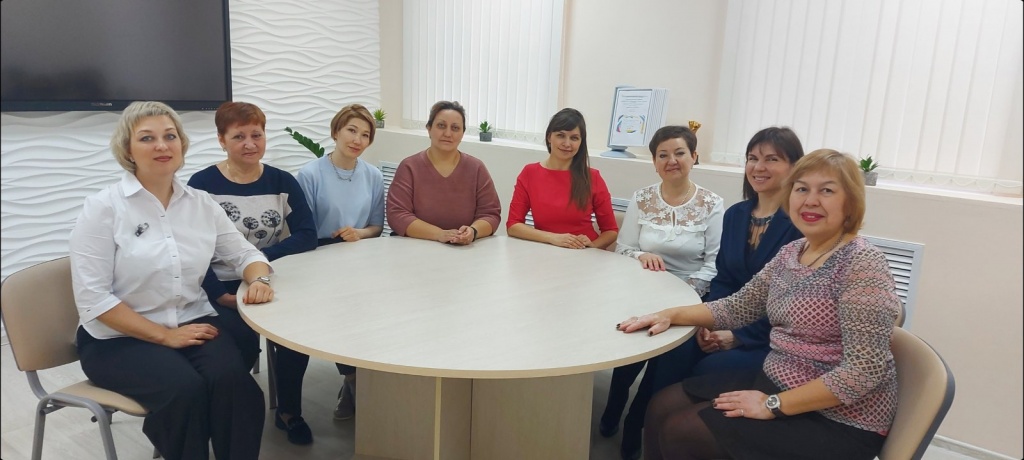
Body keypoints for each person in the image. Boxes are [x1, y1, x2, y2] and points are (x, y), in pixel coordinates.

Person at [617, 149, 901, 460]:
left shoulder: (862, 263)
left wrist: (772, 405)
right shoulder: (793, 251)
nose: (810, 200)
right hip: (779, 380)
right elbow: (738, 307)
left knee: (684, 430)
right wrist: (669, 314)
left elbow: (863, 372)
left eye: (827, 191)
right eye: (802, 189)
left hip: (840, 418)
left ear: (851, 202)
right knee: (662, 405)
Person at [70, 101, 271, 460]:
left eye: (170, 136)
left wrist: (259, 281)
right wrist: (164, 336)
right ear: (128, 149)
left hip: (192, 323)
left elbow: (246, 256)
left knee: (237, 387)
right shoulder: (103, 208)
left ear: (182, 144)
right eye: (147, 138)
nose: (162, 145)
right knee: (184, 392)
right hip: (117, 339)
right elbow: (93, 300)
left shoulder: (202, 204)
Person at [187, 101, 318, 445]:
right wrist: (219, 293)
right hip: (218, 284)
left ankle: (288, 411)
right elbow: (193, 250)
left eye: (256, 135)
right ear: (221, 140)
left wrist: (258, 260)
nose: (249, 143)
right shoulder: (202, 185)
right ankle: (223, 411)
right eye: (239, 136)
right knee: (240, 342)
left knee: (295, 332)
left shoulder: (281, 181)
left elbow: (307, 233)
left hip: (266, 275)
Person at [598, 125, 724, 459]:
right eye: (663, 155)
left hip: (688, 300)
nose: (672, 161)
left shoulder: (712, 204)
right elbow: (624, 248)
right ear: (654, 162)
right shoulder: (642, 198)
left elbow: (713, 263)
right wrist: (641, 255)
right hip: (642, 293)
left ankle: (634, 427)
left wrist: (682, 298)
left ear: (694, 157)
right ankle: (612, 410)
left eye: (680, 153)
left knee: (659, 376)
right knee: (627, 362)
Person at [296, 103, 385, 421]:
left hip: (360, 255)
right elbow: (303, 231)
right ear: (335, 132)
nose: (357, 140)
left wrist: (358, 233)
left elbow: (376, 227)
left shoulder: (373, 176)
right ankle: (353, 379)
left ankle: (359, 379)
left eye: (365, 135)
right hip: (318, 256)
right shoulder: (310, 174)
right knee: (342, 308)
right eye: (351, 130)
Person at [386, 100, 501, 244]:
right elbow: (397, 214)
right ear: (429, 129)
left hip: (463, 250)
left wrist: (473, 232)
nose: (448, 133)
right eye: (441, 126)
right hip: (415, 248)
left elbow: (491, 214)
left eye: (455, 128)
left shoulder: (476, 168)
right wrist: (439, 234)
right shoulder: (409, 167)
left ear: (462, 133)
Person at [506, 108, 618, 248]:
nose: (567, 144)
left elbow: (611, 231)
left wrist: (592, 247)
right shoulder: (530, 173)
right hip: (544, 250)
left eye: (574, 138)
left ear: (581, 142)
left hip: (583, 252)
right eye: (561, 135)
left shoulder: (592, 177)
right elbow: (513, 225)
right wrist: (552, 238)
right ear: (549, 137)